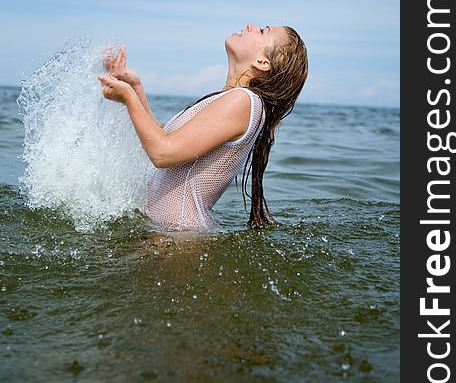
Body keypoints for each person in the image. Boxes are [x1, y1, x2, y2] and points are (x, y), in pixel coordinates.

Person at [98, 23, 308, 231]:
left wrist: (127, 97)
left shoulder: (244, 101)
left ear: (262, 62)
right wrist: (135, 89)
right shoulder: (234, 99)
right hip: (167, 233)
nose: (251, 26)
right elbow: (162, 139)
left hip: (176, 239)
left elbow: (162, 153)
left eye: (263, 31)